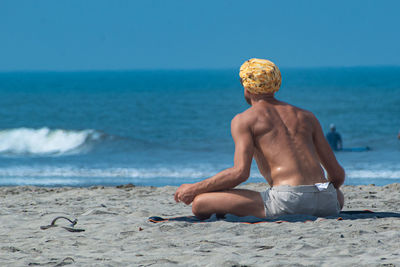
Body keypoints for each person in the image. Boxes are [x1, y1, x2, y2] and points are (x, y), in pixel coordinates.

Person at [174, 58, 345, 219]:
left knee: (200, 203)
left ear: (246, 87)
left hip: (288, 200)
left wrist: (193, 189)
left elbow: (239, 173)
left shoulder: (244, 120)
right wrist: (317, 194)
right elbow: (337, 175)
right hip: (327, 199)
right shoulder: (307, 116)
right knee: (338, 194)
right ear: (275, 85)